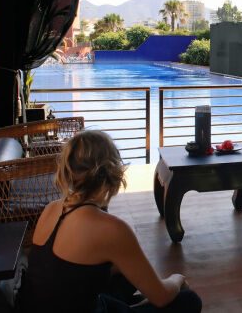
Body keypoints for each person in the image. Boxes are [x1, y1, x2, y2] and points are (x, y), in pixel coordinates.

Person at [16, 131, 202, 313]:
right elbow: (161, 297)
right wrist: (177, 279)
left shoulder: (51, 209)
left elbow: (64, 271)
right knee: (188, 300)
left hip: (39, 306)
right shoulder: (112, 229)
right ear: (112, 172)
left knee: (125, 274)